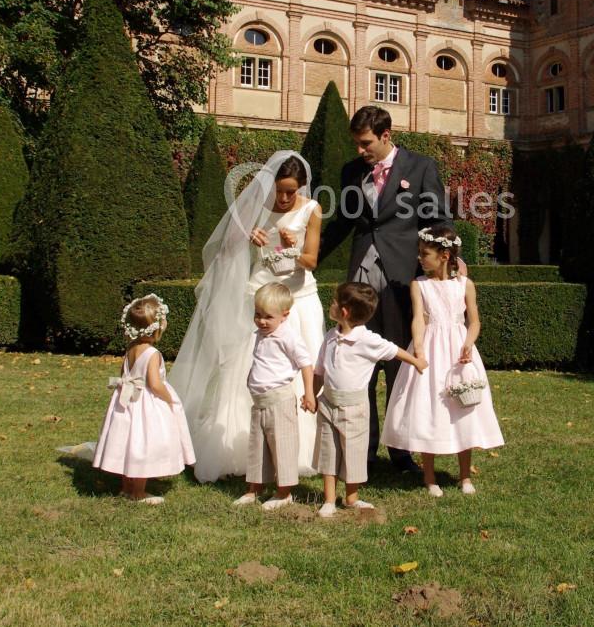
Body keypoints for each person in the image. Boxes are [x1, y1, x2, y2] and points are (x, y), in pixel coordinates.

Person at [168, 151, 325, 483]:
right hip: (262, 294)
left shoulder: (312, 210)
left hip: (299, 298)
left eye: (290, 191)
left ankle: (301, 446)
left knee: (303, 365)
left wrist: (291, 247)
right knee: (247, 367)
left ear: (301, 188)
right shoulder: (257, 209)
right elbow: (226, 252)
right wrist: (250, 236)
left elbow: (311, 260)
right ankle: (240, 443)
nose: (283, 198)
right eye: (279, 190)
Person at [318, 105, 458, 474]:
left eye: (365, 143)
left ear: (385, 135)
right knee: (355, 358)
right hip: (362, 275)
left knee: (398, 362)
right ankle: (362, 449)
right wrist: (306, 257)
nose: (360, 150)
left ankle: (401, 451)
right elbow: (342, 223)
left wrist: (451, 257)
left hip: (401, 276)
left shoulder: (421, 167)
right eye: (357, 143)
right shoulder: (351, 172)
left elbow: (438, 217)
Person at [383, 226, 503, 496]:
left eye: (425, 254)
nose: (420, 258)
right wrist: (420, 351)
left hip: (459, 351)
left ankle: (464, 476)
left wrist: (469, 343)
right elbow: (418, 319)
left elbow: (474, 321)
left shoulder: (465, 285)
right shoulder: (420, 285)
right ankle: (429, 476)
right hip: (433, 348)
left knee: (464, 406)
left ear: (445, 256)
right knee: (428, 407)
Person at [313, 282, 428, 518]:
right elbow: (320, 371)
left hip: (354, 407)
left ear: (344, 311)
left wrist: (416, 361)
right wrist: (312, 396)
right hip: (327, 402)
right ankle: (329, 499)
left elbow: (393, 349)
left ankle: (352, 497)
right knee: (329, 450)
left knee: (353, 451)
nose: (331, 304)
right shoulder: (330, 337)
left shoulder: (367, 339)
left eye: (335, 301)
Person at [92, 294, 195, 503]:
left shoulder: (130, 349)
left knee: (128, 441)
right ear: (156, 328)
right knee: (143, 443)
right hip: (145, 404)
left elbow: (124, 375)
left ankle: (126, 487)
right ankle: (138, 492)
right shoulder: (153, 353)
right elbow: (155, 384)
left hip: (127, 401)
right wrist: (170, 399)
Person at [234, 283, 317, 510]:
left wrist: (309, 392)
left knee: (283, 445)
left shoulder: (288, 336)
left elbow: (306, 364)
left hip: (279, 401)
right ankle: (254, 488)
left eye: (267, 317)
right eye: (257, 315)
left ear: (285, 315)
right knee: (257, 445)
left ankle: (284, 493)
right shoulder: (261, 334)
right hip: (260, 401)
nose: (261, 321)